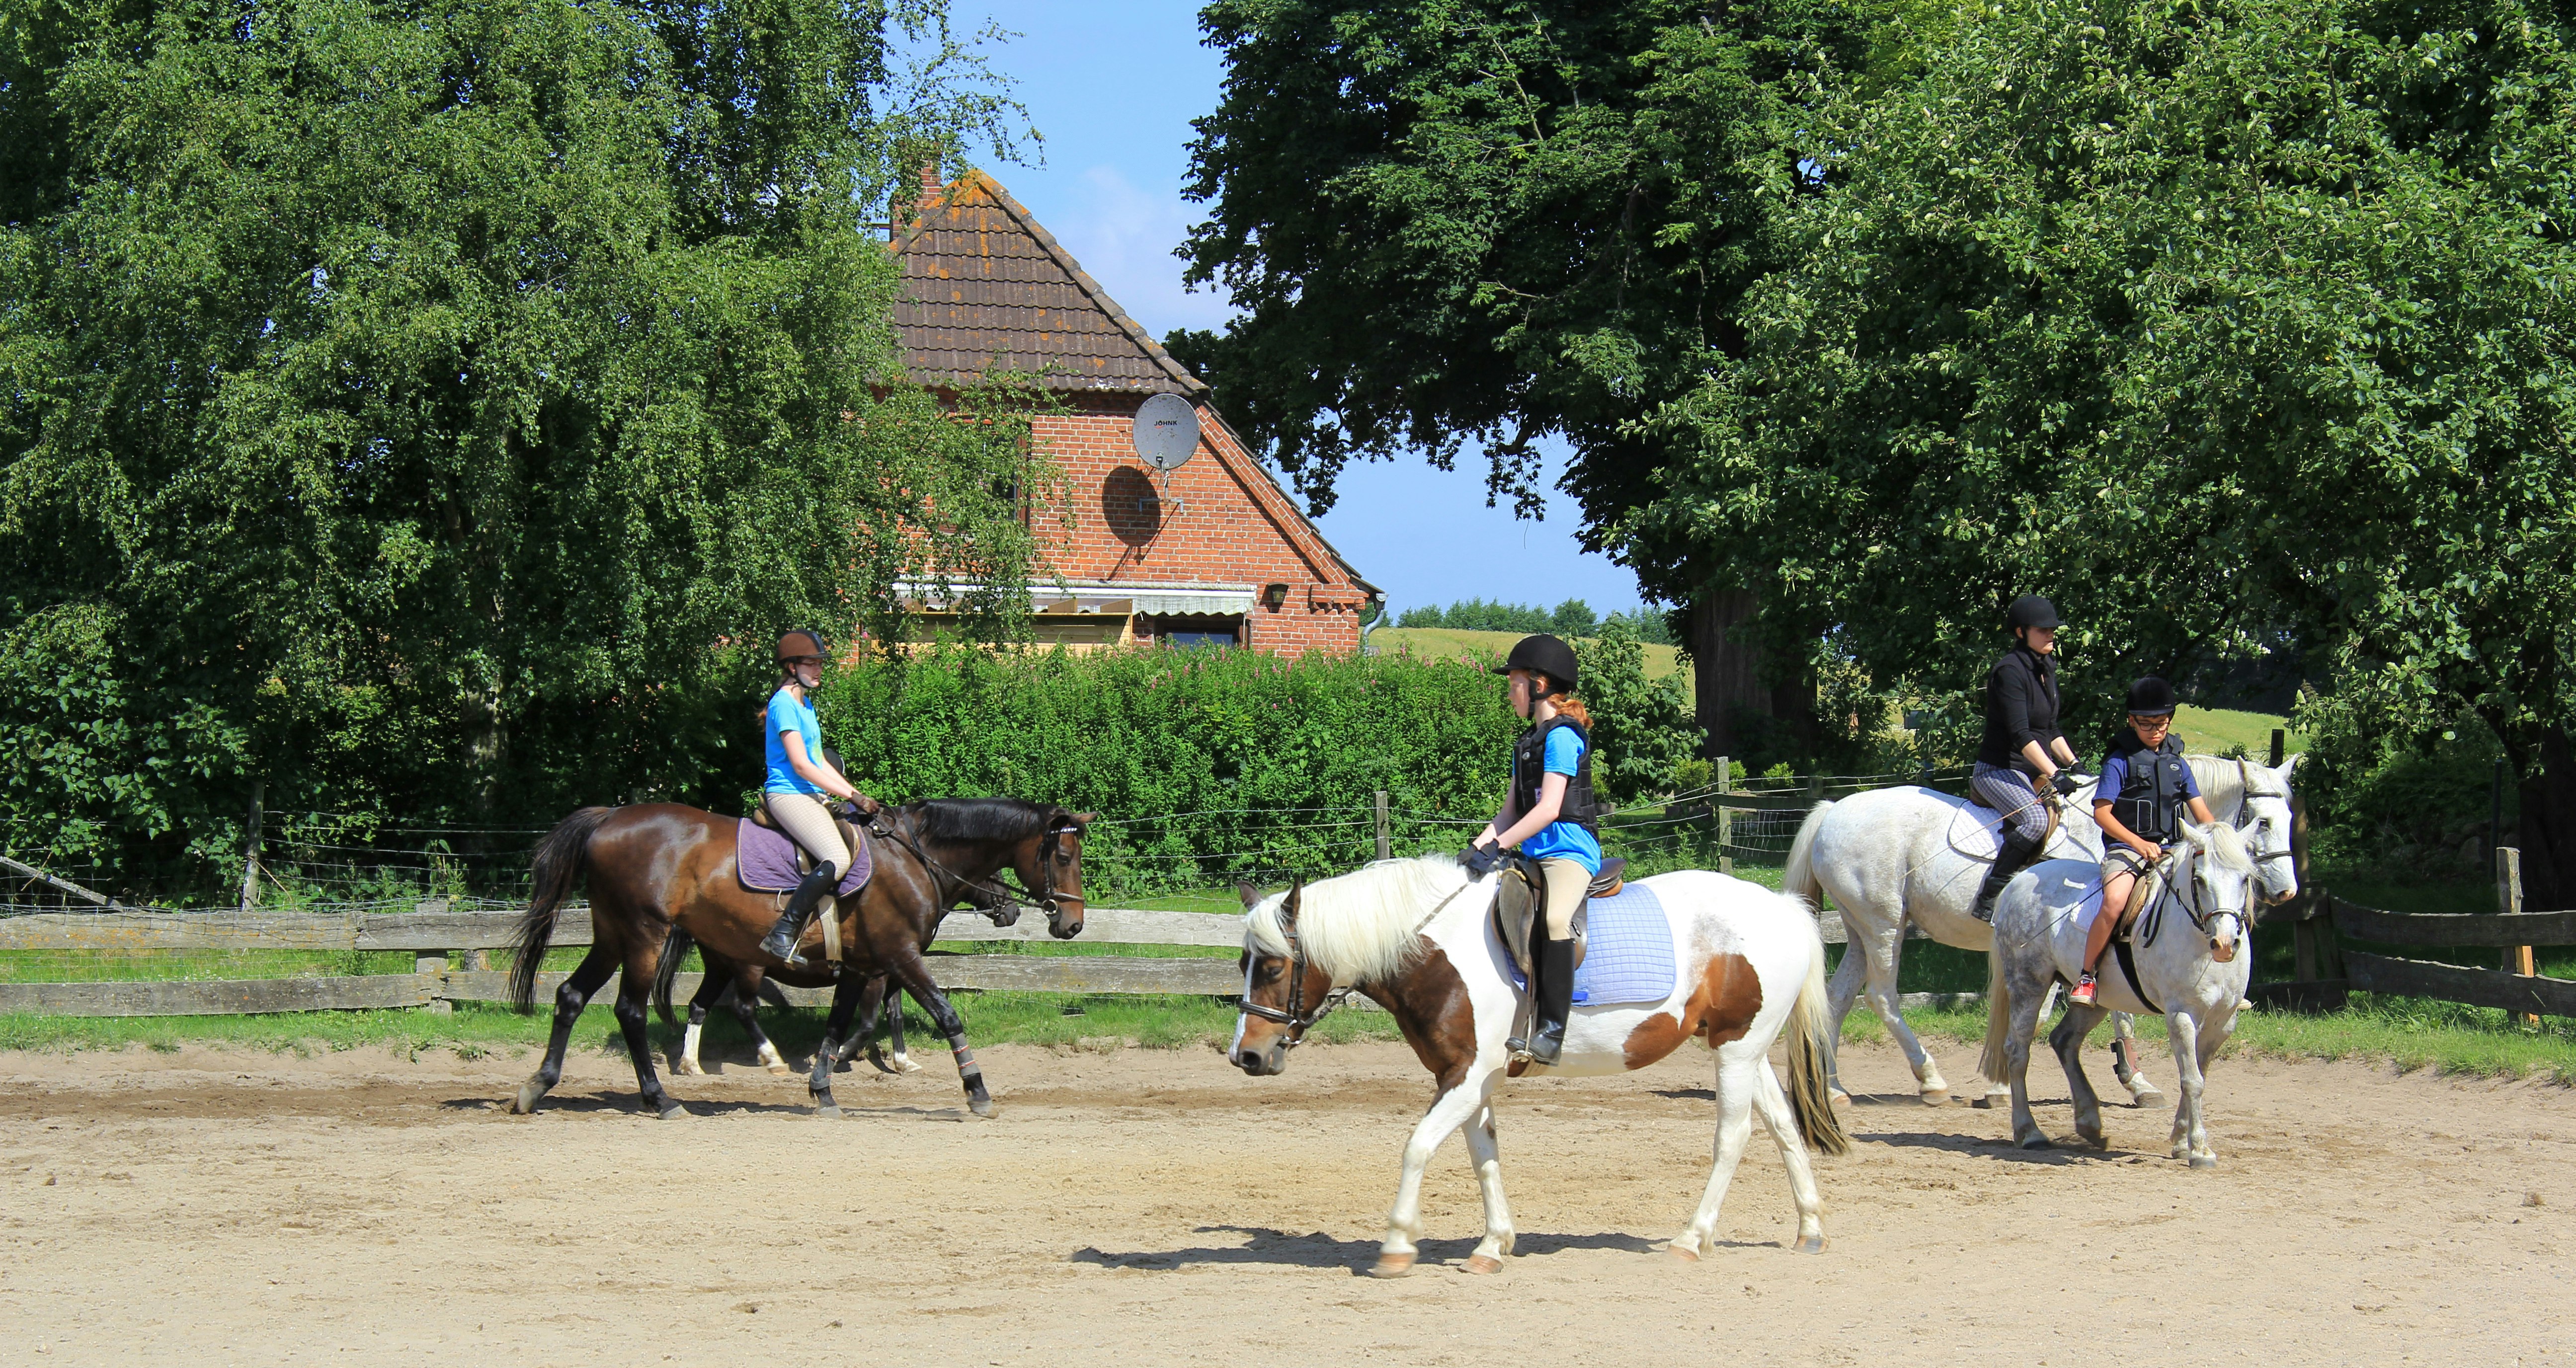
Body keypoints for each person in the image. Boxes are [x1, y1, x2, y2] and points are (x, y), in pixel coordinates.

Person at [1461, 634, 1603, 1066]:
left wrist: (1502, 844)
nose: (1510, 693)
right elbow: (1509, 812)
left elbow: (1548, 809)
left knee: (1556, 919)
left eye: (1514, 684)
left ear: (1538, 685)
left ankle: (1552, 1030)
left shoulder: (1563, 738)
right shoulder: (1527, 743)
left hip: (1568, 851)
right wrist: (1476, 848)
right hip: (1535, 853)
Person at [2075, 676, 2218, 1004]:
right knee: (2114, 902)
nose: (2154, 730)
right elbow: (2103, 814)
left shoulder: (2177, 763)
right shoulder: (2119, 761)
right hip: (2126, 850)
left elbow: (2203, 815)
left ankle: (2221, 979)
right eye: (2145, 724)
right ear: (2131, 721)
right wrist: (2138, 844)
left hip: (2171, 849)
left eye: (2161, 724)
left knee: (2215, 895)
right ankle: (2087, 976)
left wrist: (2222, 842)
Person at [756, 630, 880, 963]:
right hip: (788, 793)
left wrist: (856, 793)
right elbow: (800, 764)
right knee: (838, 859)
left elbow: (819, 760)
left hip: (810, 793)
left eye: (820, 664)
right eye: (811, 664)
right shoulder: (783, 703)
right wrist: (853, 796)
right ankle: (783, 933)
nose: (818, 670)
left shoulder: (805, 703)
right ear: (792, 666)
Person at [1970, 595, 2085, 921]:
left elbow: (2050, 729)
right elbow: (2023, 736)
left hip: (2031, 771)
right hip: (1997, 770)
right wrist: (2055, 773)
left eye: (2053, 629)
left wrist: (2075, 766)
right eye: (2043, 629)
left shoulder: (2045, 668)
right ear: (2021, 632)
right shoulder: (2010, 672)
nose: (2051, 634)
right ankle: (1990, 897)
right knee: (2035, 821)